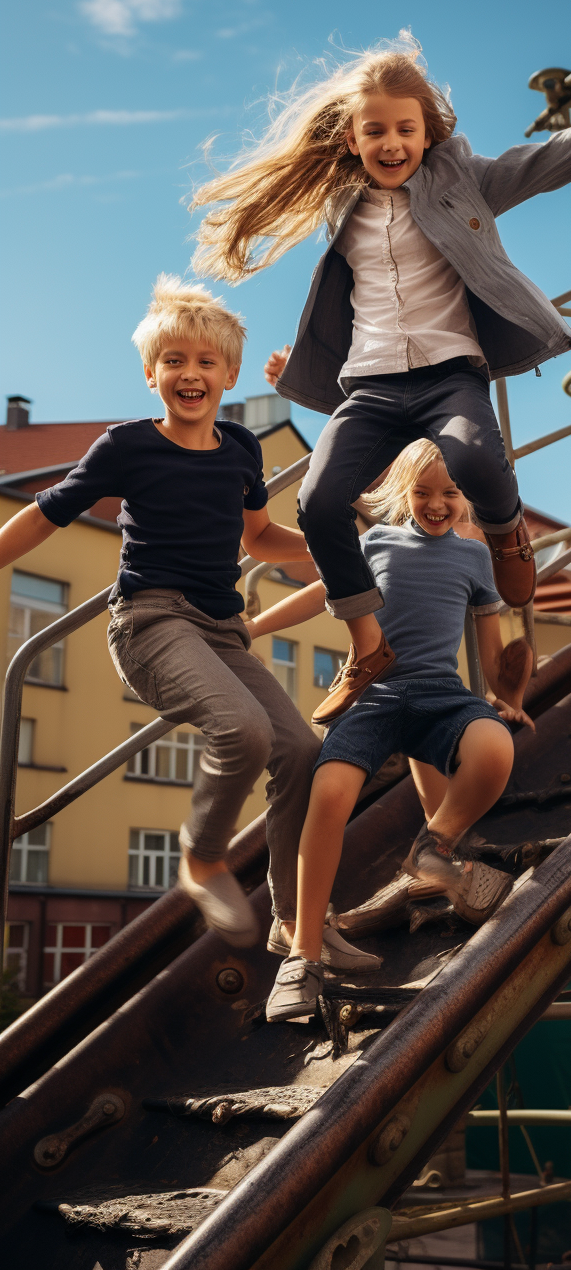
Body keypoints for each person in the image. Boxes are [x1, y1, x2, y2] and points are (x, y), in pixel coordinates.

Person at [190, 26, 571, 726]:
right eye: (376, 131)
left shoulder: (467, 179)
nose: (392, 143)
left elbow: (565, 152)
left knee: (470, 456)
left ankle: (507, 533)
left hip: (449, 372)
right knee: (317, 502)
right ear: (352, 140)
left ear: (428, 133)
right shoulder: (345, 202)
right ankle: (368, 648)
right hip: (369, 385)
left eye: (406, 128)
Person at [0, 277, 376, 972]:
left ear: (229, 374)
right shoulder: (126, 446)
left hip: (222, 632)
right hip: (150, 622)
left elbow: (260, 540)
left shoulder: (240, 450)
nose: (190, 374)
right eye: (174, 361)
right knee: (244, 729)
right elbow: (47, 511)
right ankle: (204, 860)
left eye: (206, 362)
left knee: (299, 748)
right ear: (152, 375)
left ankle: (294, 920)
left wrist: (336, 536)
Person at [247, 438, 535, 1022]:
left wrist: (506, 701)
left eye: (450, 493)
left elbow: (490, 649)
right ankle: (302, 955)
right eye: (423, 492)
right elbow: (319, 592)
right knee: (328, 796)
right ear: (402, 493)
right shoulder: (374, 541)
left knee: (494, 748)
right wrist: (252, 629)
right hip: (371, 695)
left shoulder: (476, 558)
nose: (437, 503)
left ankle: (435, 848)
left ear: (468, 499)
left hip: (438, 695)